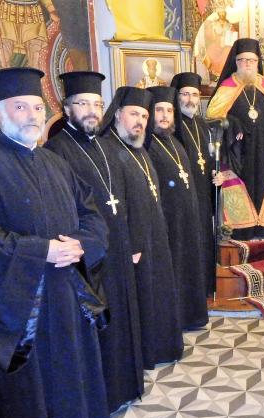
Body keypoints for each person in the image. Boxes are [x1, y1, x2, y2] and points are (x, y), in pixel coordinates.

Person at [0, 67, 110, 418]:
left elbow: (92, 214)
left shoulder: (56, 163)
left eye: (38, 108)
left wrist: (82, 244)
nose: (32, 116)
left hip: (66, 297)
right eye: (20, 107)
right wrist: (42, 251)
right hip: (21, 309)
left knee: (70, 384)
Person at [44, 71, 144, 412]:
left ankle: (127, 386)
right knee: (100, 324)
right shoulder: (55, 151)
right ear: (66, 108)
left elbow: (122, 200)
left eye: (97, 104)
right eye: (83, 103)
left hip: (118, 247)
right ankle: (105, 396)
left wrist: (131, 242)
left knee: (123, 317)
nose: (91, 111)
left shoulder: (107, 146)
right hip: (88, 258)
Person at [100, 86, 184, 369]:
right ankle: (147, 352)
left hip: (154, 237)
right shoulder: (109, 151)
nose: (140, 121)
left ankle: (161, 348)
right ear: (117, 115)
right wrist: (131, 243)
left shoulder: (139, 149)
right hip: (133, 244)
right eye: (134, 114)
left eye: (144, 116)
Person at [206, 38, 264, 239]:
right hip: (238, 153)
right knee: (243, 187)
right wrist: (232, 122)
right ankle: (242, 231)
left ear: (258, 62)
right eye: (243, 60)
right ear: (236, 62)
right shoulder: (227, 86)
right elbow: (212, 117)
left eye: (252, 60)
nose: (247, 64)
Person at [146, 85, 210, 330]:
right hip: (167, 222)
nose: (164, 116)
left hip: (186, 220)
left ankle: (190, 316)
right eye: (159, 110)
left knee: (187, 268)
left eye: (169, 111)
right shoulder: (147, 145)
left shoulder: (175, 142)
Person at [171, 72, 219, 299]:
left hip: (202, 195)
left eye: (194, 94)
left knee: (203, 241)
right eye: (185, 94)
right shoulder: (171, 127)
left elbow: (206, 158)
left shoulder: (201, 124)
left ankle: (205, 289)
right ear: (176, 96)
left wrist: (215, 176)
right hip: (183, 198)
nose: (190, 99)